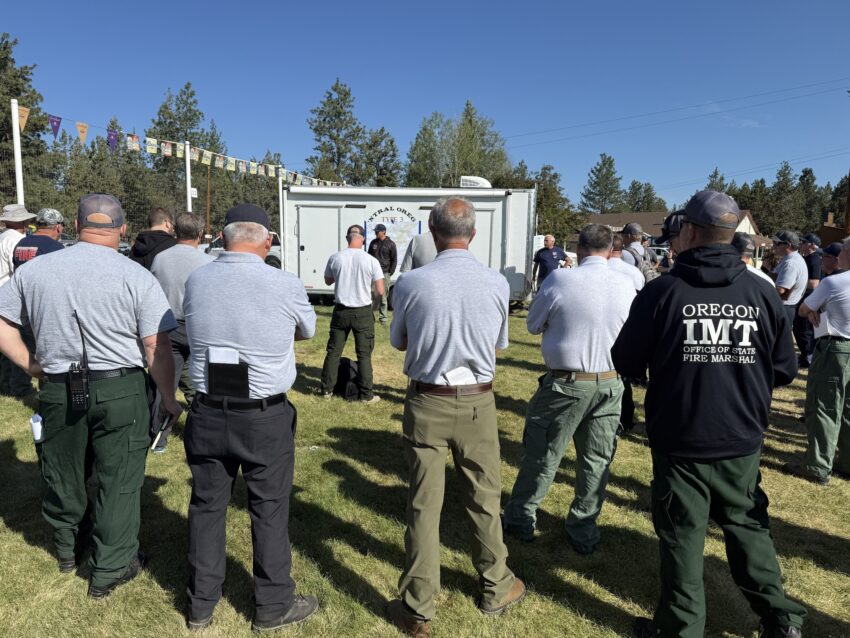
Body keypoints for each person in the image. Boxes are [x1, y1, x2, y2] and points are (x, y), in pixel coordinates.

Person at [611, 190, 806, 638]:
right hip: (741, 436)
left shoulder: (664, 291)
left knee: (682, 534)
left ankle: (681, 629)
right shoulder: (760, 292)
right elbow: (784, 370)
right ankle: (782, 621)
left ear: (693, 233)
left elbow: (626, 361)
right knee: (747, 527)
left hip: (681, 438)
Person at [0, 193, 181, 597]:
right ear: (120, 229)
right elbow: (157, 347)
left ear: (76, 225)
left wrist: (31, 365)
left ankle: (67, 549)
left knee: (64, 469)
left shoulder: (36, 270)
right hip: (120, 389)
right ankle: (109, 569)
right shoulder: (136, 275)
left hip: (58, 387)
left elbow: (3, 323)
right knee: (119, 480)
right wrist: (169, 397)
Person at [386, 196, 525, 637]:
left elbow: (400, 343)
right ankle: (495, 584)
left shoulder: (411, 282)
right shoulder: (497, 284)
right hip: (478, 400)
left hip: (428, 399)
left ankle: (417, 607)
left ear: (432, 230)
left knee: (424, 504)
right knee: (484, 496)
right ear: (474, 233)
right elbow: (500, 343)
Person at [182, 203, 318, 631]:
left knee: (206, 506)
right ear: (268, 240)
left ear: (222, 238)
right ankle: (273, 605)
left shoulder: (197, 279)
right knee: (270, 507)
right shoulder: (284, 282)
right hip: (262, 415)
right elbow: (307, 330)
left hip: (207, 409)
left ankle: (201, 603)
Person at [502, 224, 635, 553]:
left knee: (544, 453)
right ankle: (584, 528)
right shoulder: (627, 282)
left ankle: (520, 519)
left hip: (567, 383)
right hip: (611, 381)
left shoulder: (561, 279)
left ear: (580, 248)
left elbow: (533, 325)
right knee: (597, 460)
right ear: (609, 250)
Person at [785, 237, 850, 485]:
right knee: (848, 409)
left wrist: (813, 309)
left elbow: (804, 309)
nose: (838, 254)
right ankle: (846, 462)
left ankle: (817, 466)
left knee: (825, 407)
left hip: (836, 348)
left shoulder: (834, 282)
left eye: (842, 250)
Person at [149, 212, 213, 453]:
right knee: (203, 382)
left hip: (168, 326)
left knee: (165, 384)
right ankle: (204, 431)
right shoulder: (207, 262)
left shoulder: (161, 259)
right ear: (199, 234)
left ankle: (159, 437)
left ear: (175, 231)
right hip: (197, 328)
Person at [320, 224, 384, 402]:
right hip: (362, 310)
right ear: (362, 239)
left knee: (334, 351)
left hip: (341, 310)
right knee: (363, 354)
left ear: (347, 238)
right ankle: (366, 395)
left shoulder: (336, 257)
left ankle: (327, 390)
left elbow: (327, 280)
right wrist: (374, 306)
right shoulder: (371, 260)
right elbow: (380, 290)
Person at [0, 203, 37, 397]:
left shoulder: (1, 238)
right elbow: (20, 272)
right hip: (12, 297)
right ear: (23, 221)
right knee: (22, 342)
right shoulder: (19, 242)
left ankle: (5, 383)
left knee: (5, 346)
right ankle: (21, 388)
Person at [792, 234, 822, 367]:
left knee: (803, 331)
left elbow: (814, 283)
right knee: (799, 330)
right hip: (805, 300)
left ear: (811, 245)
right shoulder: (807, 258)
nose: (801, 244)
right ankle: (805, 357)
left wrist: (795, 282)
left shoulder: (814, 259)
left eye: (804, 242)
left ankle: (808, 358)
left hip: (809, 300)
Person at [772, 230, 807, 333]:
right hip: (784, 308)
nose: (774, 245)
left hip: (783, 308)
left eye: (777, 243)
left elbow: (781, 290)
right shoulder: (789, 259)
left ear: (788, 245)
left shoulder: (791, 263)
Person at [368, 223, 397, 325]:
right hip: (373, 273)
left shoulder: (391, 244)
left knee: (383, 295)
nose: (376, 233)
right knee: (371, 294)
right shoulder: (373, 243)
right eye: (375, 231)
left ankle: (383, 318)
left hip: (385, 273)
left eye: (377, 231)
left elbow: (394, 260)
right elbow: (368, 257)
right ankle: (370, 317)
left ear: (383, 232)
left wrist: (390, 272)